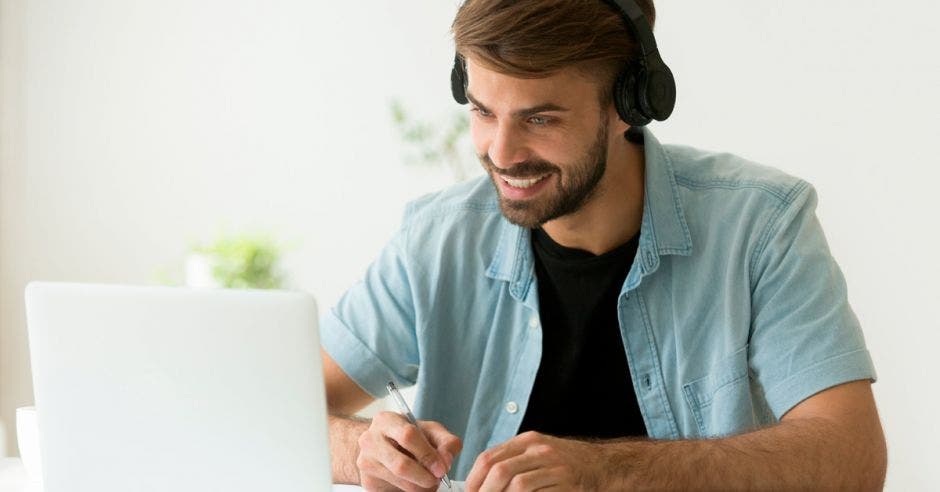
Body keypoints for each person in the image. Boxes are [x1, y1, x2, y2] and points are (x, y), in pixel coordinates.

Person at [321, 0, 887, 490]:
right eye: (483, 111)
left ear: (630, 103)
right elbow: (279, 408)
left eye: (540, 118)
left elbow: (850, 456)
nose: (501, 151)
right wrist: (363, 448)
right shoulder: (437, 239)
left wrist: (604, 471)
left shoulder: (759, 225)